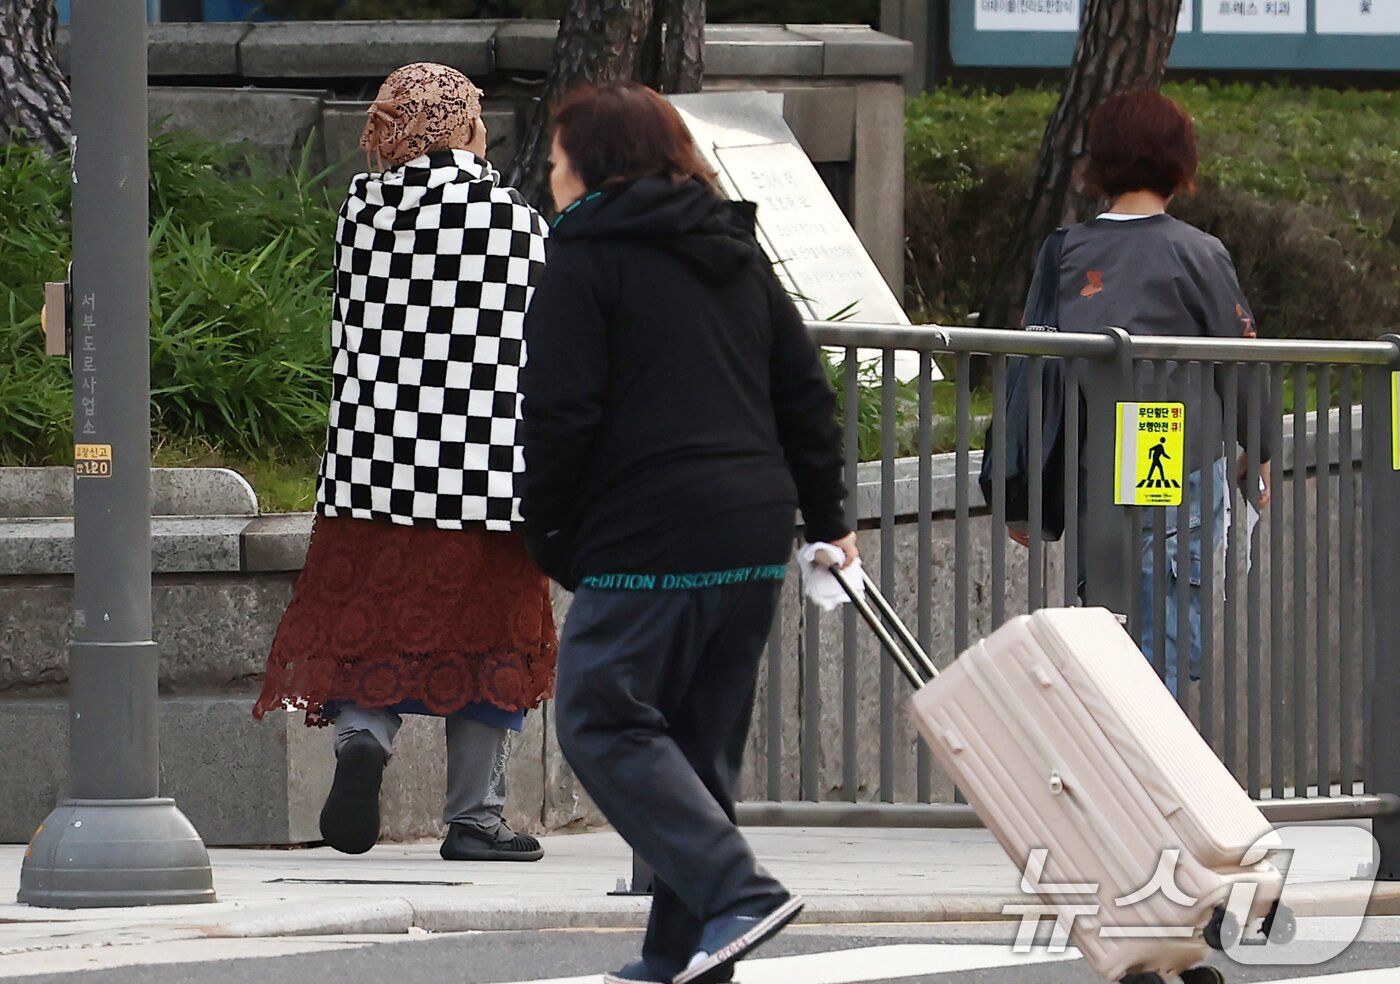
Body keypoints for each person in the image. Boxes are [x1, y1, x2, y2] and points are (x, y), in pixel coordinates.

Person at [518, 82, 857, 984]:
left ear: (592, 162)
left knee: (600, 716)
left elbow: (558, 417)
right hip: (750, 528)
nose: (549, 175)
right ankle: (682, 950)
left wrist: (550, 538)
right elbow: (803, 394)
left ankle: (737, 891)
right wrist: (827, 520)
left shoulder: (584, 257)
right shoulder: (733, 252)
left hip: (647, 529)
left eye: (555, 157)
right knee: (697, 743)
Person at [253, 63, 557, 863]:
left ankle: (361, 741)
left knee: (376, 627)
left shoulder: (363, 209)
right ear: (458, 126)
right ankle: (476, 819)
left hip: (371, 468)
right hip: (479, 475)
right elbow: (541, 336)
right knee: (491, 640)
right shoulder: (509, 219)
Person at [1022, 89, 1272, 696]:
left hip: (1094, 462)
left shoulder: (1063, 252)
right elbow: (1241, 360)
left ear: (1100, 161)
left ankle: (1113, 768)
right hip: (1180, 452)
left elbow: (1031, 368)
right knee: (1169, 621)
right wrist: (1258, 454)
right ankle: (1160, 770)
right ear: (1179, 160)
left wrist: (1019, 484)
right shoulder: (1199, 253)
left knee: (1105, 620)